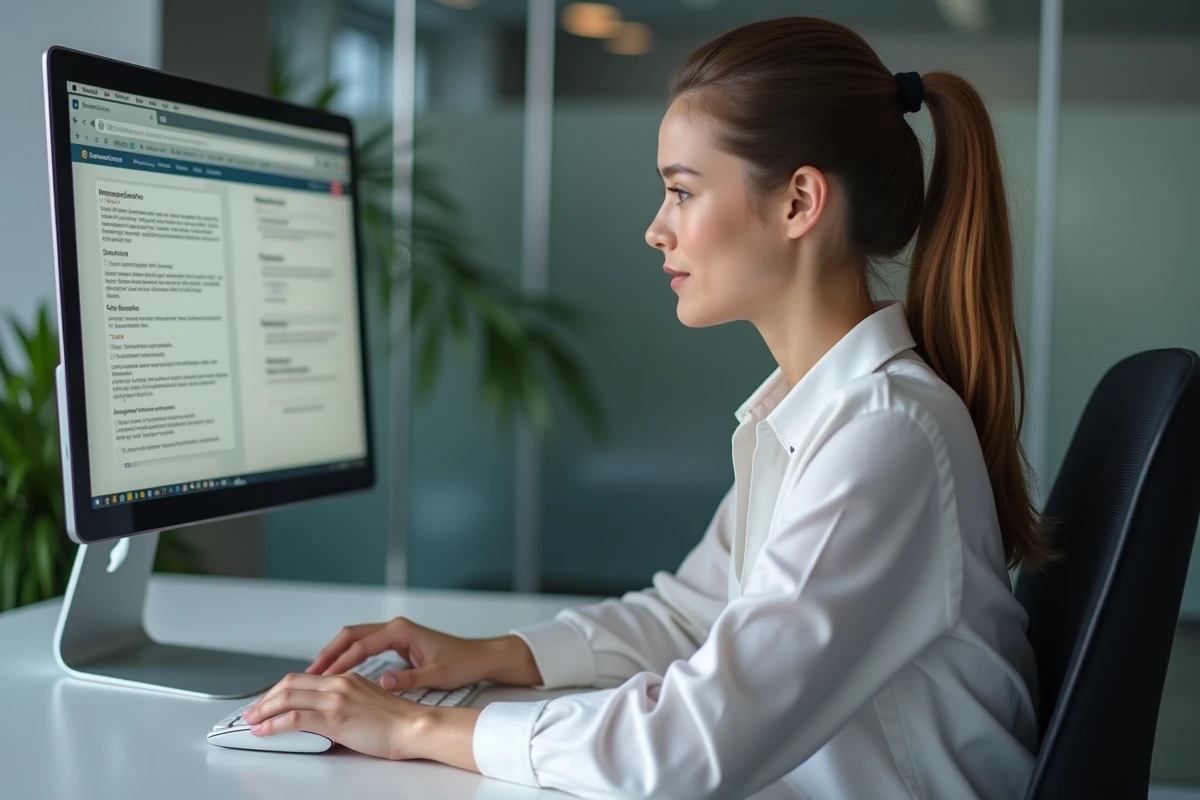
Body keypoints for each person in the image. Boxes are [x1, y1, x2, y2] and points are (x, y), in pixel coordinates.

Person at [241, 16, 1055, 800]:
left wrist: (416, 729)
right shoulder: (814, 414)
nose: (655, 230)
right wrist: (491, 656)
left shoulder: (885, 436)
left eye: (681, 191)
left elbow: (688, 746)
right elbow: (691, 616)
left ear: (800, 202)